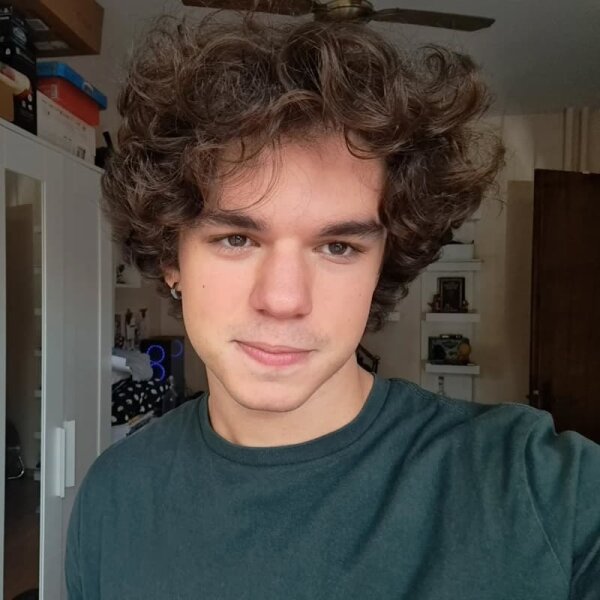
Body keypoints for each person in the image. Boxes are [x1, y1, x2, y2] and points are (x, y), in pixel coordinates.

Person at [65, 12, 600, 600]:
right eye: (236, 239)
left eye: (338, 246)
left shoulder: (543, 490)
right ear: (173, 260)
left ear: (383, 266)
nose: (284, 300)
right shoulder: (112, 496)